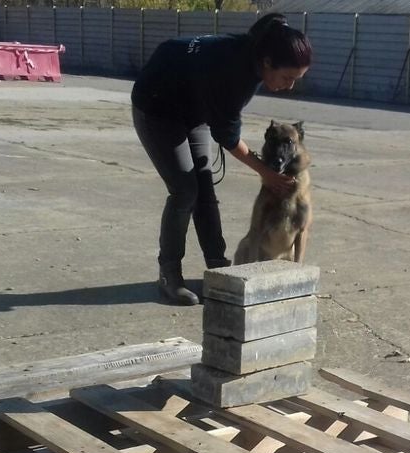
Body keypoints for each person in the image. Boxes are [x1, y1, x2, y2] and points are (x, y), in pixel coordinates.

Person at [132, 13, 311, 305]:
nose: (290, 86)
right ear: (268, 62)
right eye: (287, 77)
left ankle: (217, 266)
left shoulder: (253, 57)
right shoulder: (236, 73)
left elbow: (222, 124)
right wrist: (266, 172)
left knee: (204, 186)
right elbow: (227, 137)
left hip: (193, 107)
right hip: (157, 106)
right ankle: (169, 275)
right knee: (184, 191)